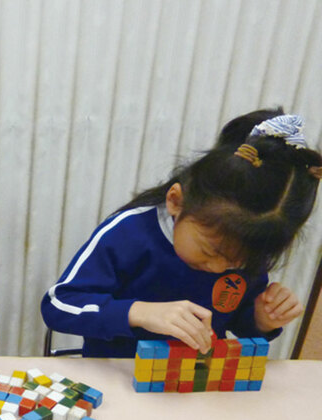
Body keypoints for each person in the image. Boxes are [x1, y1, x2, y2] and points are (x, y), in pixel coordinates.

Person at [41, 109, 322, 358]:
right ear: (176, 201)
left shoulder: (245, 247)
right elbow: (59, 306)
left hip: (196, 385)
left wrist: (261, 320)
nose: (220, 268)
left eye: (237, 263)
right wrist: (138, 312)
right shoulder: (129, 233)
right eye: (212, 251)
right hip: (120, 378)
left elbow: (235, 317)